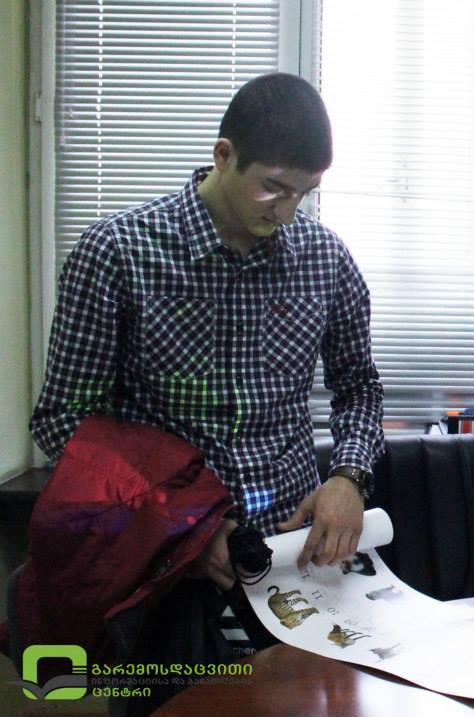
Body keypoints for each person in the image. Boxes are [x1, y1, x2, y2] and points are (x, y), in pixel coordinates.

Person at [30, 72, 385, 588]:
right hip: (159, 555)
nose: (287, 213)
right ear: (224, 155)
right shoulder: (117, 253)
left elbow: (359, 387)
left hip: (291, 548)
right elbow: (64, 421)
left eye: (303, 194)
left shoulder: (325, 258)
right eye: (273, 189)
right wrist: (181, 522)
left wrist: (348, 477)